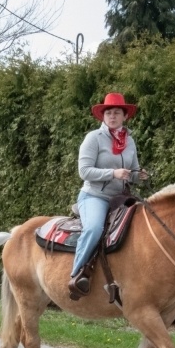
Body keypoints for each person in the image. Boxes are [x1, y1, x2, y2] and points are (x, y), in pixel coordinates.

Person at [68, 93, 148, 299]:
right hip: (94, 196)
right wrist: (112, 173)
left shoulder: (129, 141)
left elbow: (133, 171)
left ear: (124, 116)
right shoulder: (93, 138)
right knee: (95, 229)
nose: (112, 116)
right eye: (109, 112)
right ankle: (76, 275)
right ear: (103, 116)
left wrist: (140, 176)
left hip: (120, 197)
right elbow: (84, 171)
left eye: (117, 112)